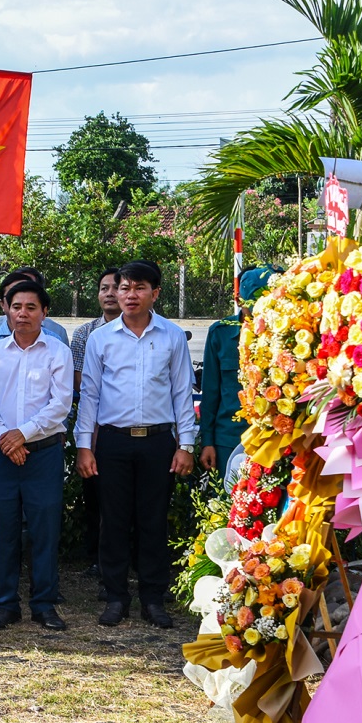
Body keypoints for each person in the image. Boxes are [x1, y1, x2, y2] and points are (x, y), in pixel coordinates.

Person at [75, 260, 196, 629]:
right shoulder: (101, 339)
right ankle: (115, 597)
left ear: (155, 293)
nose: (129, 295)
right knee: (112, 521)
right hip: (112, 442)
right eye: (124, 288)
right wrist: (84, 446)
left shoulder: (172, 337)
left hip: (158, 442)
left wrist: (185, 445)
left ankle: (153, 599)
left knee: (152, 520)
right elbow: (89, 396)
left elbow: (181, 393)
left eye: (139, 288)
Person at [0, 281, 73, 632]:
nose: (23, 313)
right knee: (3, 529)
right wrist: (6, 438)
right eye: (17, 306)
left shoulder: (58, 352)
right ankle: (5, 605)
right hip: (1, 454)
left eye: (31, 307)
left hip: (42, 454)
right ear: (6, 309)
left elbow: (60, 404)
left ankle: (44, 604)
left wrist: (22, 435)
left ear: (44, 312)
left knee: (44, 530)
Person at [70, 267, 121, 575]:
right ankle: (97, 557)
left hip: (128, 426)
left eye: (116, 287)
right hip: (95, 426)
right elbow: (80, 383)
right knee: (96, 495)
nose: (110, 293)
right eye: (104, 288)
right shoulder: (85, 334)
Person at [199, 266, 274, 473]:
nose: (262, 313)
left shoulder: (287, 333)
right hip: (229, 438)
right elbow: (210, 393)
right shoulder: (220, 333)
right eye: (255, 305)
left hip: (276, 438)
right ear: (240, 301)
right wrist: (207, 442)